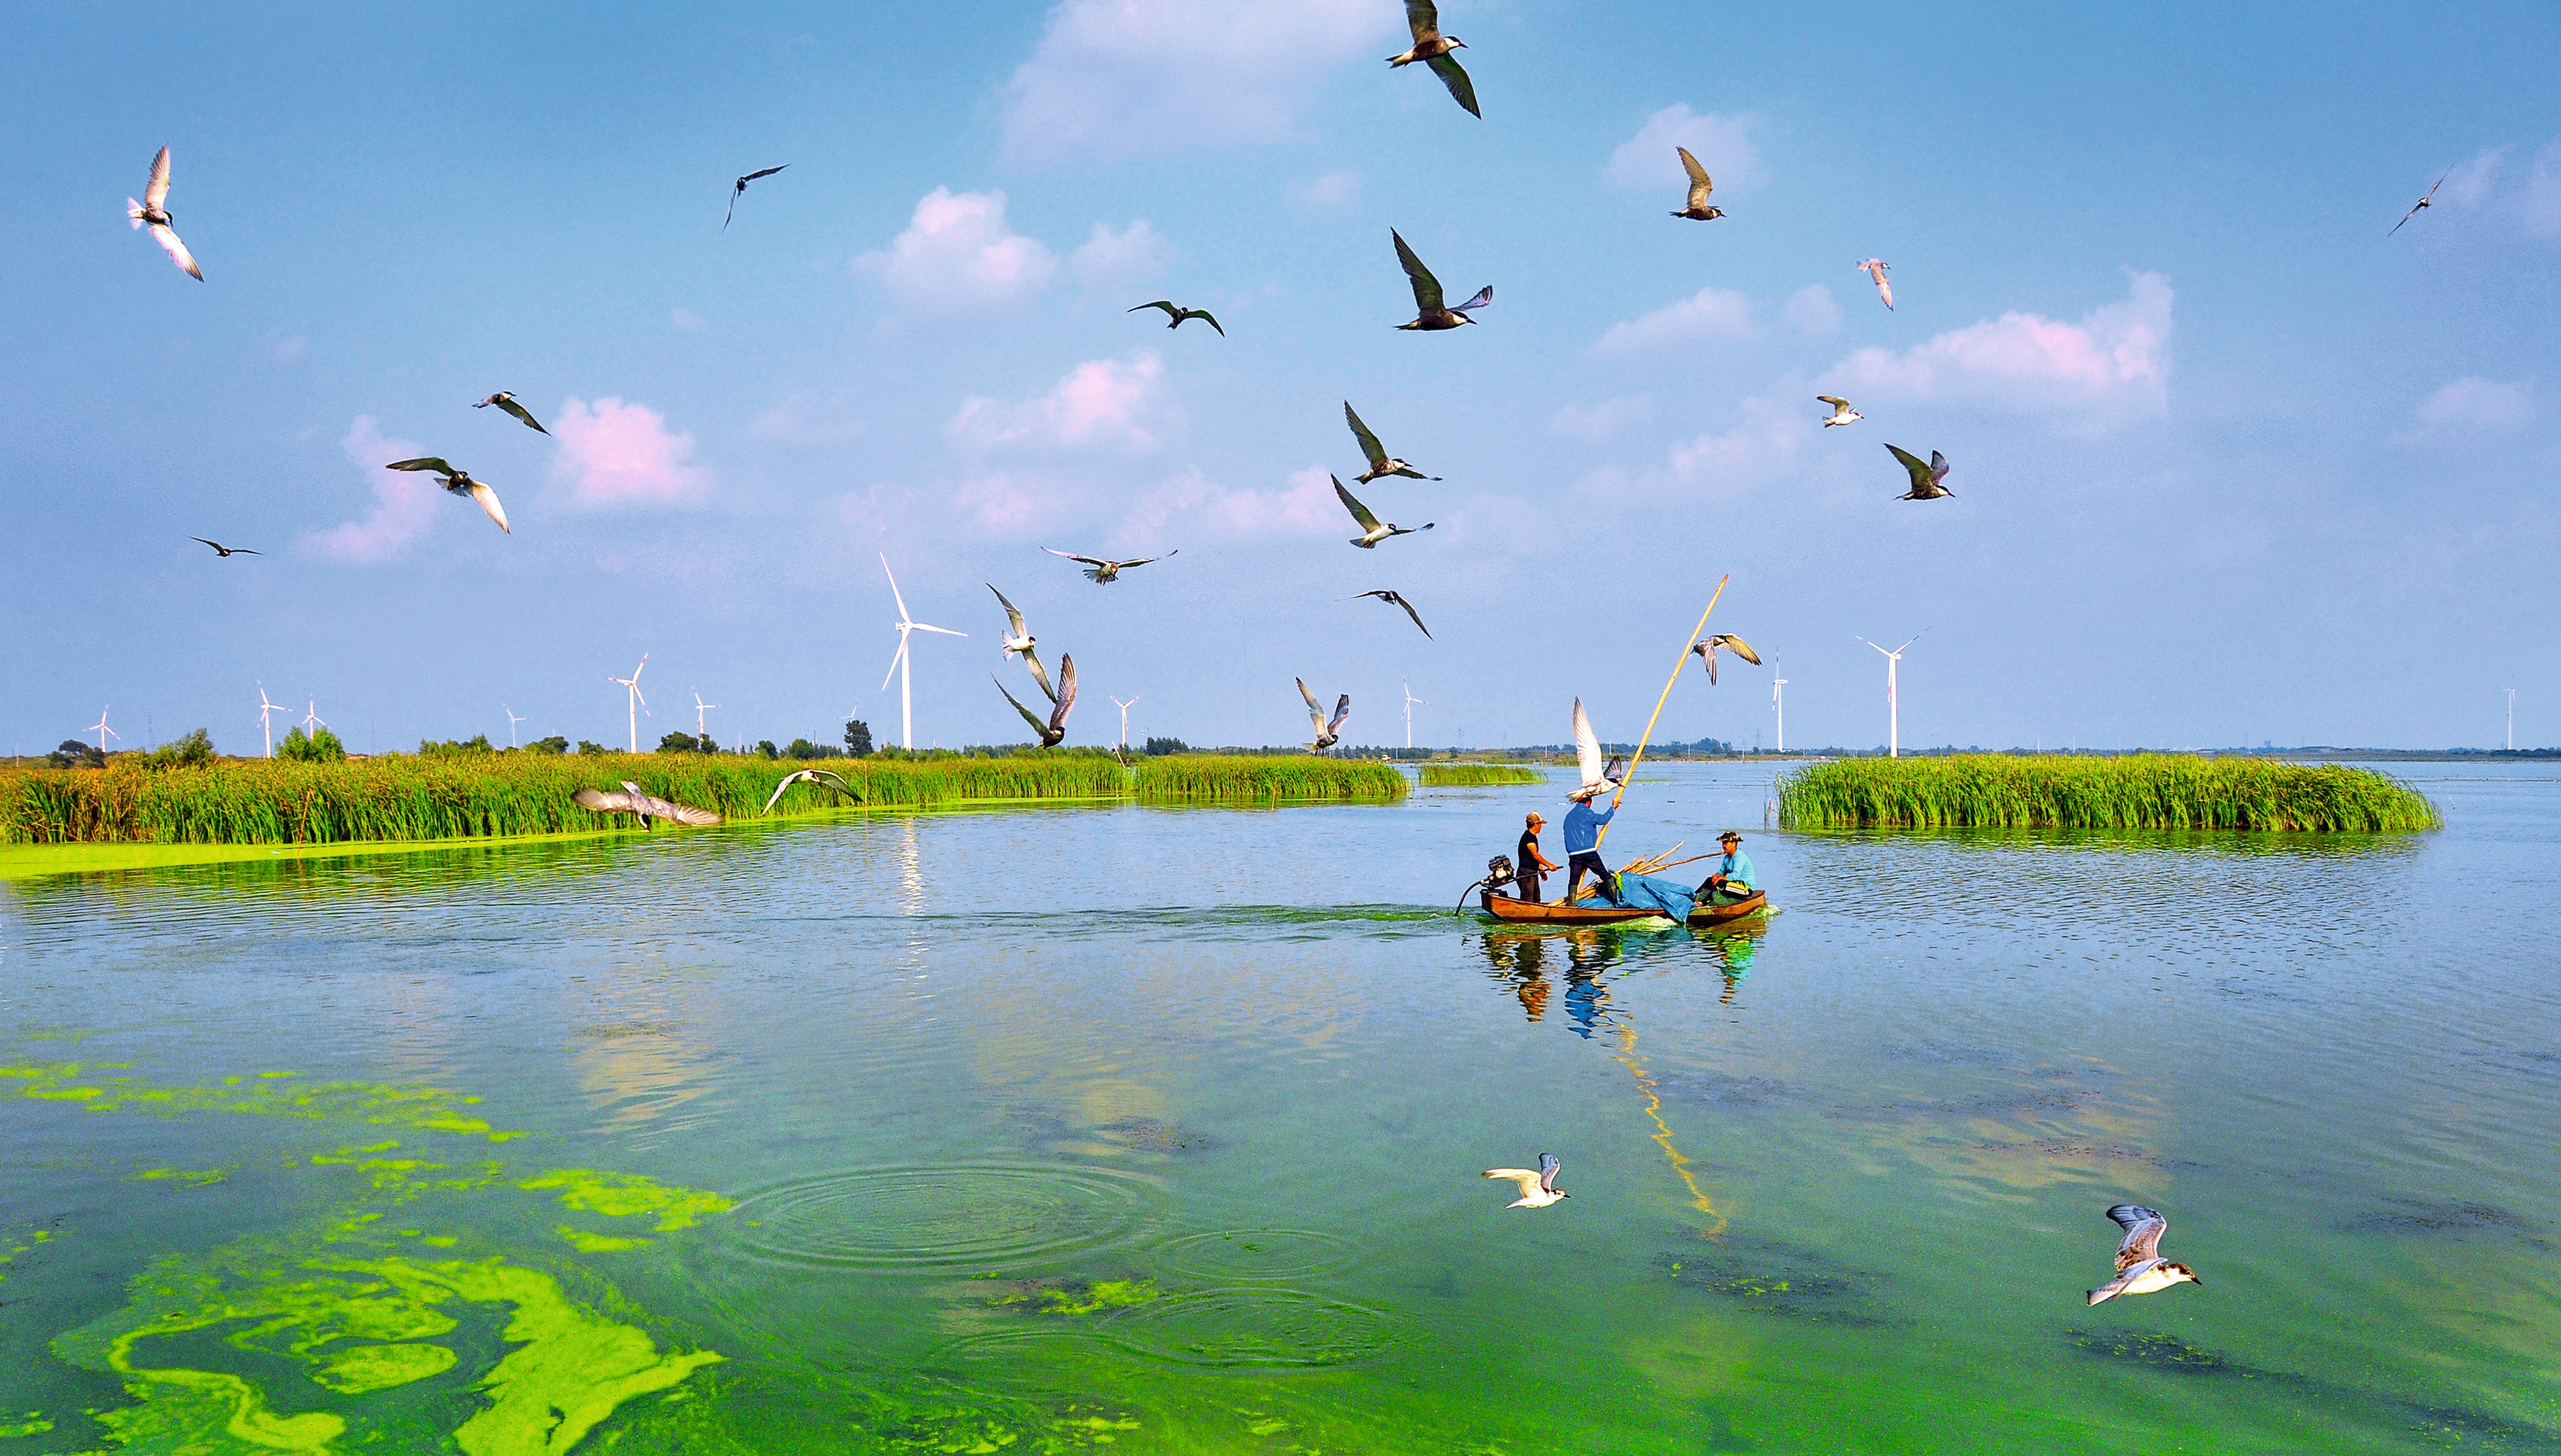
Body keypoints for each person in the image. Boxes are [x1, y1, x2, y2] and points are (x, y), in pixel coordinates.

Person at [1561, 793, 1615, 902]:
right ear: (1588, 802)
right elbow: (1603, 819)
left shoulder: (1569, 816)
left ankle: (1571, 905)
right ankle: (1616, 898)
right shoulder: (1586, 812)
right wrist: (1613, 808)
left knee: (1573, 880)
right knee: (1604, 874)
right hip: (1588, 852)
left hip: (1573, 854)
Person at [1515, 811, 1561, 902]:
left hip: (1532, 872)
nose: (1541, 826)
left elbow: (1533, 858)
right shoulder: (1529, 838)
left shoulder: (1532, 837)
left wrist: (1541, 870)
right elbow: (1535, 855)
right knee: (1528, 900)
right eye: (1541, 824)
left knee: (1536, 899)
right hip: (1527, 873)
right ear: (1536, 824)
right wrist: (1549, 865)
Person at [1702, 830, 1756, 904]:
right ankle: (1694, 899)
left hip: (1745, 888)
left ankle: (1704, 902)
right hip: (1733, 884)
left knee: (1721, 883)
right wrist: (1716, 876)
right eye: (1723, 843)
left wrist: (1720, 878)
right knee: (1709, 880)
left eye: (1726, 843)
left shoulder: (1740, 857)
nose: (1724, 846)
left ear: (1734, 844)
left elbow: (1735, 876)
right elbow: (1721, 872)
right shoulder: (1727, 857)